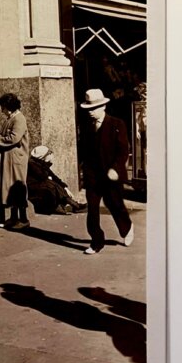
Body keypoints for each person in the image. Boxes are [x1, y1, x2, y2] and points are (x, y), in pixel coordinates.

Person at [78, 89, 135, 254]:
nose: (90, 112)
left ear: (103, 107)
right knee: (93, 208)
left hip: (111, 174)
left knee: (115, 204)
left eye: (94, 108)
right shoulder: (87, 125)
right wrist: (83, 170)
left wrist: (116, 168)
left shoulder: (117, 124)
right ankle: (96, 242)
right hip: (93, 175)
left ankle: (127, 228)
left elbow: (123, 150)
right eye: (88, 109)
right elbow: (84, 150)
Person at [0, 93, 30, 230]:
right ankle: (13, 218)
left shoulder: (19, 119)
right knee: (10, 188)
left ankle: (23, 219)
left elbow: (13, 138)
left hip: (16, 159)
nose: (1, 110)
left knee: (17, 187)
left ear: (9, 107)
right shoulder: (11, 118)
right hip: (8, 158)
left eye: (3, 107)